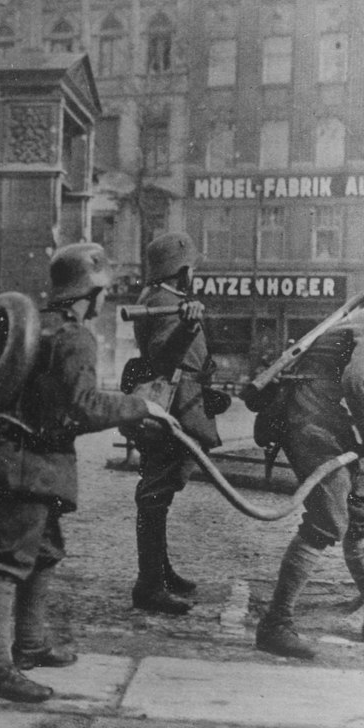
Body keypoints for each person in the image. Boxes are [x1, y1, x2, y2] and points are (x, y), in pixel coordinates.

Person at [0, 243, 159, 703]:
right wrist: (139, 406)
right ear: (89, 292)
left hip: (20, 460)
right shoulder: (74, 337)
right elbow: (82, 407)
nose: (105, 299)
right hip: (29, 466)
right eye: (103, 291)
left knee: (44, 551)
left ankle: (29, 644)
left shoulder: (39, 328)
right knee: (3, 564)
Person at [255, 302, 364, 659]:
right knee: (328, 515)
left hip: (331, 409)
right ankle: (275, 623)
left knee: (363, 508)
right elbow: (361, 382)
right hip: (312, 409)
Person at [128, 232, 225, 615]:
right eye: (191, 269)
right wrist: (186, 327)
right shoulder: (168, 303)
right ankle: (150, 585)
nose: (194, 275)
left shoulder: (160, 299)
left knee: (158, 493)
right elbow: (163, 355)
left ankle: (160, 573)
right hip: (173, 407)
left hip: (177, 401)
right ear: (181, 270)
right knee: (155, 495)